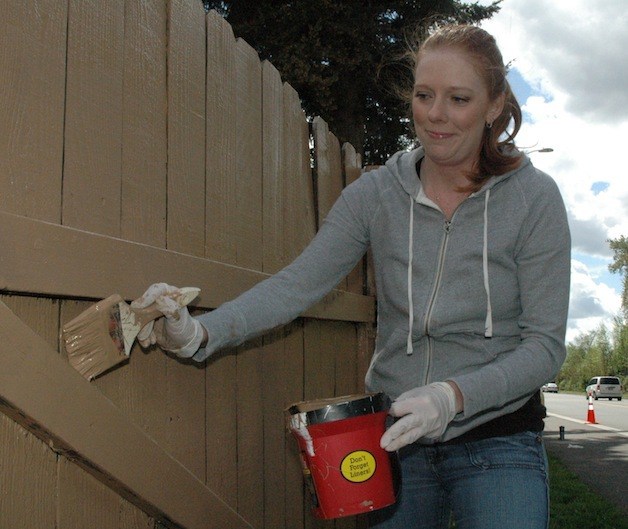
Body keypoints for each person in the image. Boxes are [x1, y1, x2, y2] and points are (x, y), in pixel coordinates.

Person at [133, 24, 570, 529]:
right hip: (394, 439)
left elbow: (543, 347)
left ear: (494, 106)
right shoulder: (375, 194)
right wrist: (202, 333)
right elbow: (298, 283)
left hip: (499, 437)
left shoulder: (534, 199)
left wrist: (451, 396)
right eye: (425, 95)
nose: (436, 115)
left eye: (459, 98)